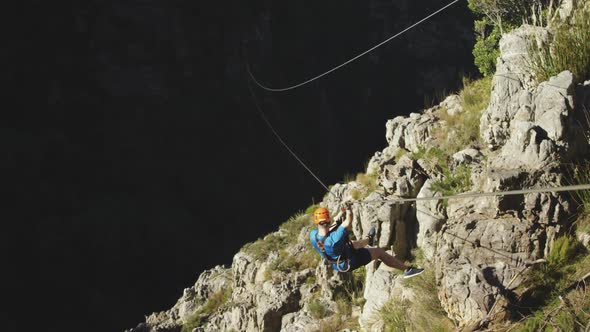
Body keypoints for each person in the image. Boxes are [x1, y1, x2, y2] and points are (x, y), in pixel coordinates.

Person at [309, 205, 424, 278]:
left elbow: (330, 227)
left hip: (336, 261)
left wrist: (340, 213)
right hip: (349, 263)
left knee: (352, 243)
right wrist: (349, 210)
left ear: (316, 222)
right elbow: (348, 222)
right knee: (378, 252)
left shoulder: (313, 235)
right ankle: (407, 270)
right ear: (328, 220)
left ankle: (369, 239)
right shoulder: (334, 239)